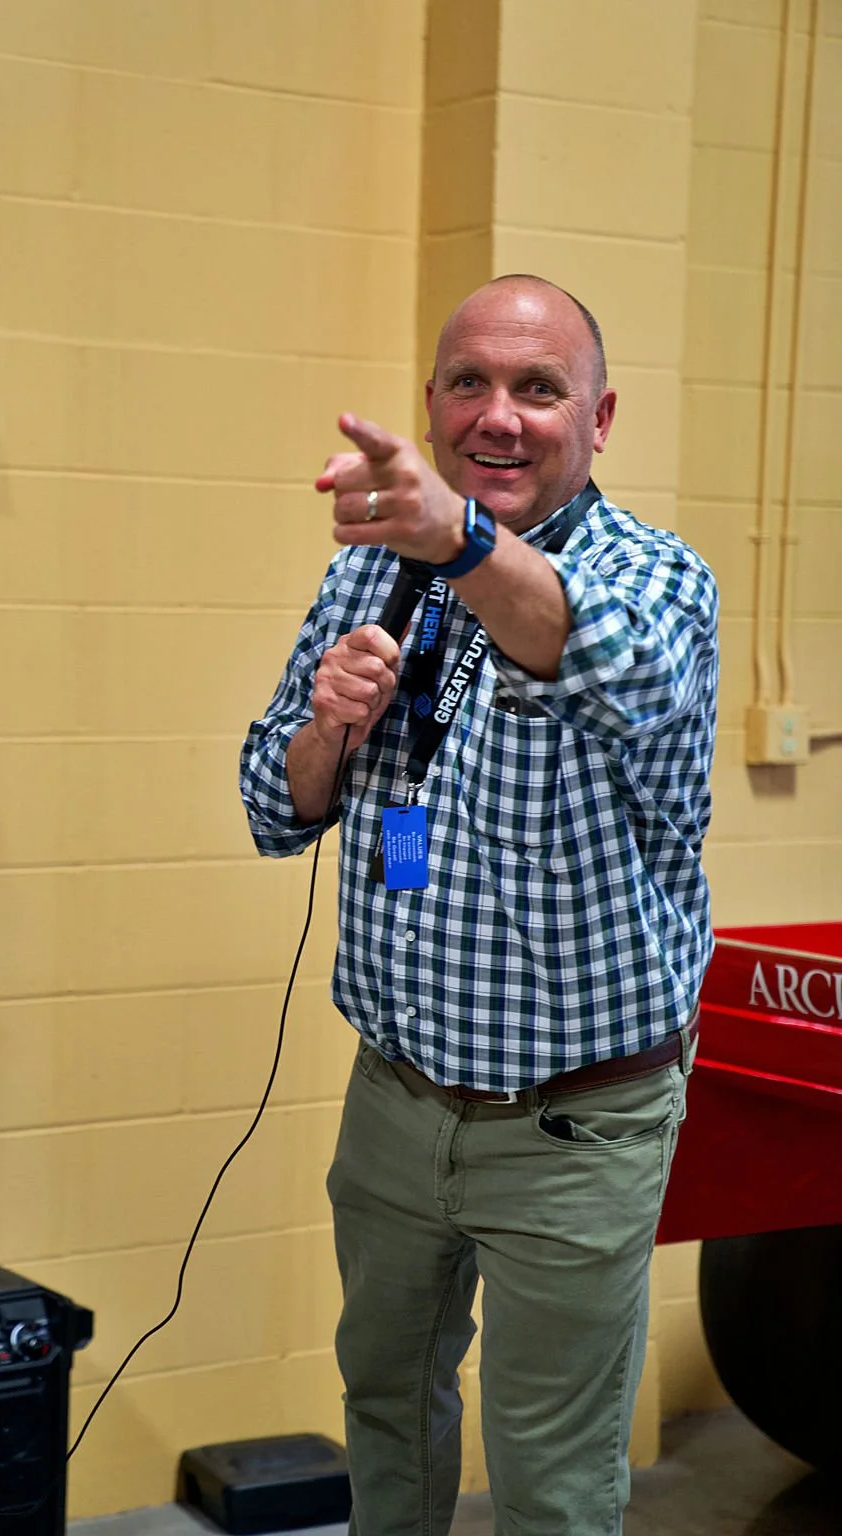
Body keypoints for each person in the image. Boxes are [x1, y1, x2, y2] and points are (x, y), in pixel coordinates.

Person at [239, 274, 719, 1536]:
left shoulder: (657, 581)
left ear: (597, 419)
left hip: (574, 1127)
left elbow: (599, 656)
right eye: (469, 383)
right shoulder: (370, 576)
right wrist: (327, 729)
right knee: (386, 1413)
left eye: (536, 388)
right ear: (433, 403)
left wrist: (454, 538)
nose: (496, 415)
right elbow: (271, 802)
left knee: (550, 1476)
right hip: (396, 1099)